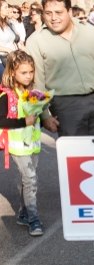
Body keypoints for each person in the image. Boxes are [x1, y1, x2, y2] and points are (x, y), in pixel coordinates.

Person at [25, 0, 94, 136]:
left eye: (58, 12)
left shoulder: (89, 30)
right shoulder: (35, 41)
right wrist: (44, 115)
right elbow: (36, 83)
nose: (53, 18)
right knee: (75, 155)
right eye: (48, 13)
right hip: (65, 105)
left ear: (69, 11)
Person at [0, 51, 44, 236]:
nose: (28, 76)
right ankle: (34, 219)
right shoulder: (6, 95)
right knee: (30, 180)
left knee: (27, 181)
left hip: (33, 145)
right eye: (23, 73)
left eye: (31, 72)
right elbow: (1, 120)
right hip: (18, 147)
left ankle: (24, 213)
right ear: (12, 73)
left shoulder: (31, 93)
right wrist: (23, 122)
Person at [0, 0, 20, 76]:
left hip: (12, 59)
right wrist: (8, 50)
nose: (8, 9)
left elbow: (12, 40)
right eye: (5, 7)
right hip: (2, 60)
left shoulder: (8, 23)